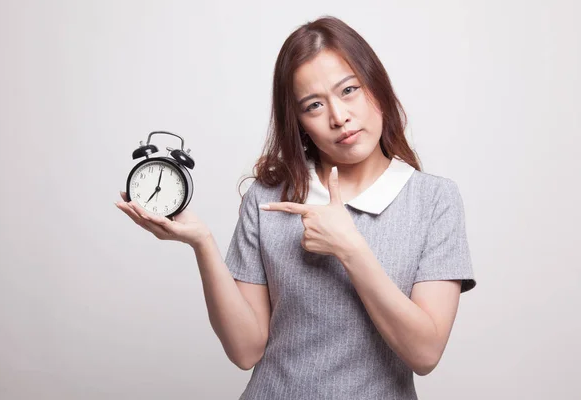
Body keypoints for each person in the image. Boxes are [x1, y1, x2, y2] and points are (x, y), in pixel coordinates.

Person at [115, 15, 476, 400]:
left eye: (350, 90)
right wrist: (202, 243)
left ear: (378, 88)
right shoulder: (268, 198)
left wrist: (350, 248)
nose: (339, 117)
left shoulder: (434, 200)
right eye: (314, 105)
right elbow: (245, 350)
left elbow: (424, 353)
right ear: (300, 122)